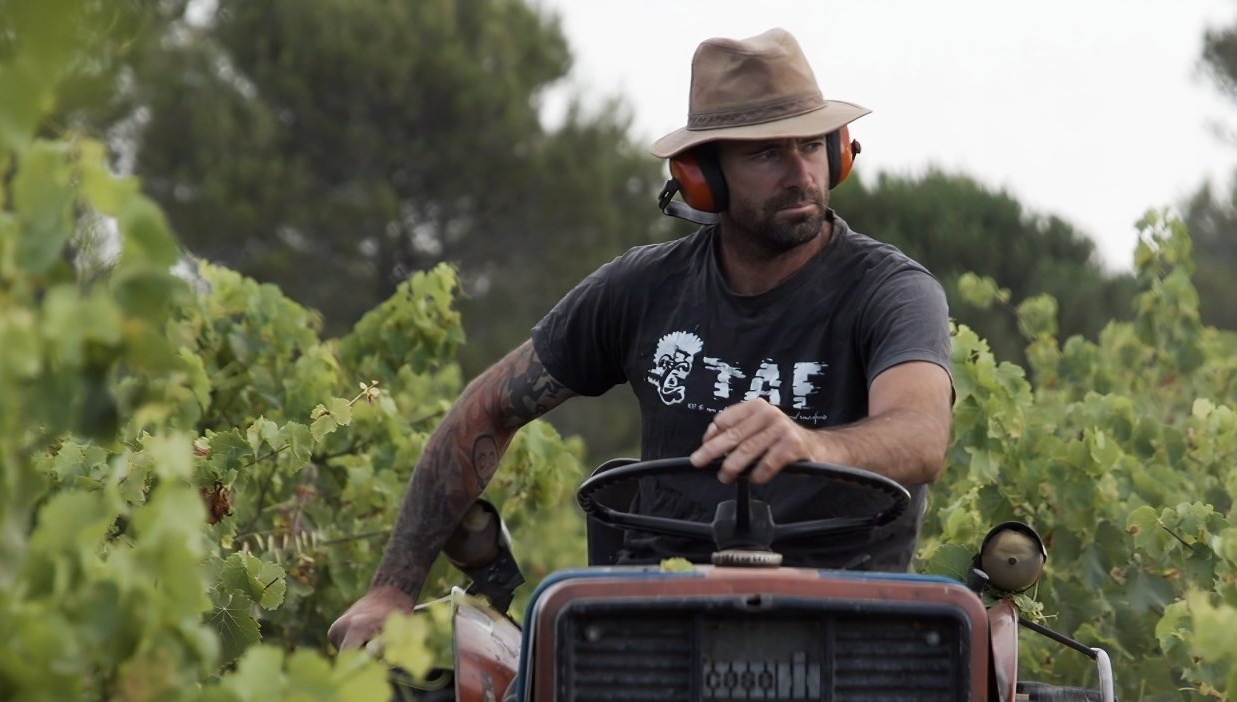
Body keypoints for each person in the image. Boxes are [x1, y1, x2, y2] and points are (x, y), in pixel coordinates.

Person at [328, 27, 954, 651]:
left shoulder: (890, 290)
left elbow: (921, 433)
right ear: (703, 175)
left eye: (812, 146)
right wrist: (393, 589)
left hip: (848, 617)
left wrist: (812, 443)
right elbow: (487, 409)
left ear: (839, 152)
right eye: (766, 154)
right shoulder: (642, 288)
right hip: (661, 621)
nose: (800, 173)